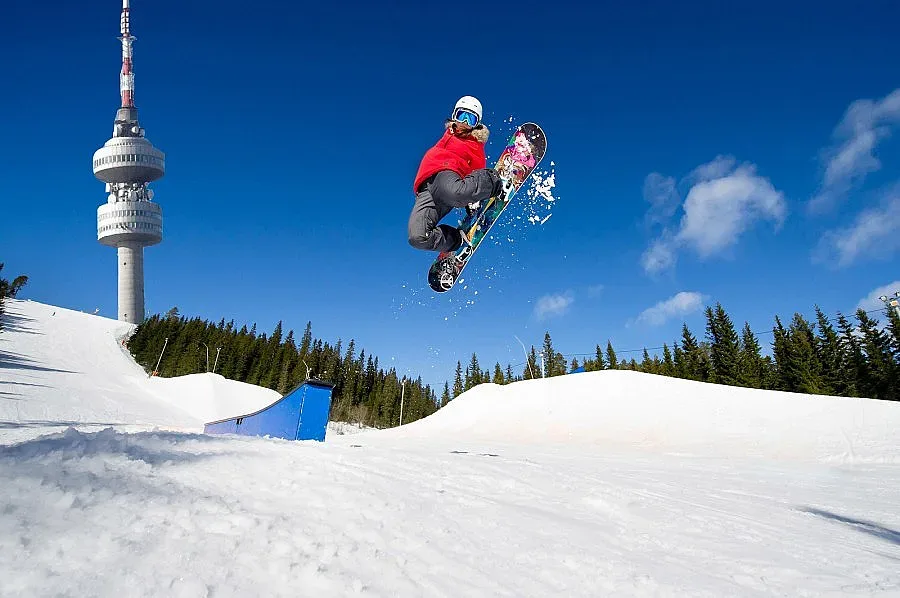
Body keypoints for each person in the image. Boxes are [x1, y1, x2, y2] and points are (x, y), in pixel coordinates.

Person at [408, 96, 503, 255]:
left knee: (457, 193)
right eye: (461, 115)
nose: (464, 122)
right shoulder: (449, 134)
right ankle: (457, 240)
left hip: (447, 177)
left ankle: (493, 181)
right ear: (454, 116)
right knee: (418, 237)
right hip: (426, 188)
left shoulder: (474, 144)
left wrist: (475, 198)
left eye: (470, 118)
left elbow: (476, 171)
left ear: (476, 124)